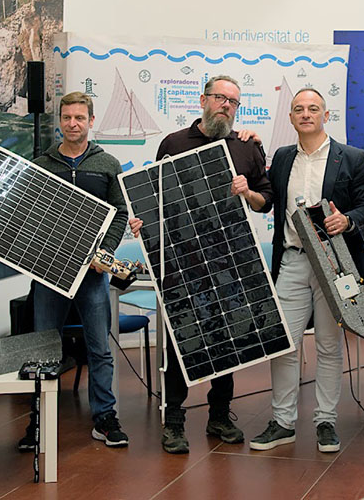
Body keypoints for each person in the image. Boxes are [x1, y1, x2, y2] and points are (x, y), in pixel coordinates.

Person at [129, 75, 273, 454]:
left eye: (233, 102)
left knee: (225, 338)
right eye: (220, 98)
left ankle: (220, 415)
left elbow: (267, 198)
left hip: (229, 257)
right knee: (182, 339)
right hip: (180, 260)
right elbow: (153, 198)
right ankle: (173, 421)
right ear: (203, 100)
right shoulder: (173, 144)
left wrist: (250, 193)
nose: (226, 105)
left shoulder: (246, 148)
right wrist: (143, 221)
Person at [248, 88, 364, 453]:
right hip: (291, 260)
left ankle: (325, 422)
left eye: (313, 108)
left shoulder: (351, 157)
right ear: (290, 118)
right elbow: (266, 197)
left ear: (325, 114)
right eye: (299, 109)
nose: (306, 114)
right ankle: (283, 422)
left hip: (334, 265)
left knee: (328, 346)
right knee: (283, 345)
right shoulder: (283, 157)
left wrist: (347, 221)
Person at [23, 91, 129, 448]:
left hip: (92, 275)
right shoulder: (41, 165)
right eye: (67, 118)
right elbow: (27, 217)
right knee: (42, 350)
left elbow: (120, 212)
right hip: (49, 273)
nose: (72, 124)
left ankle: (105, 417)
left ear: (91, 121)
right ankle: (38, 423)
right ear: (60, 122)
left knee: (99, 348)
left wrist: (106, 251)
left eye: (79, 118)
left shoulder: (108, 164)